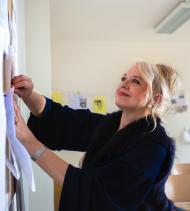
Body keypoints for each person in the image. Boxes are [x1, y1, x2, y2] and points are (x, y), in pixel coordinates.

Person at [12, 61, 177, 211]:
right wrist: (29, 96)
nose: (125, 83)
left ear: (155, 99)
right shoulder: (110, 125)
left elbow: (97, 191)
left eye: (136, 81)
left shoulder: (154, 147)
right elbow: (64, 122)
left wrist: (29, 142)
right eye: (124, 78)